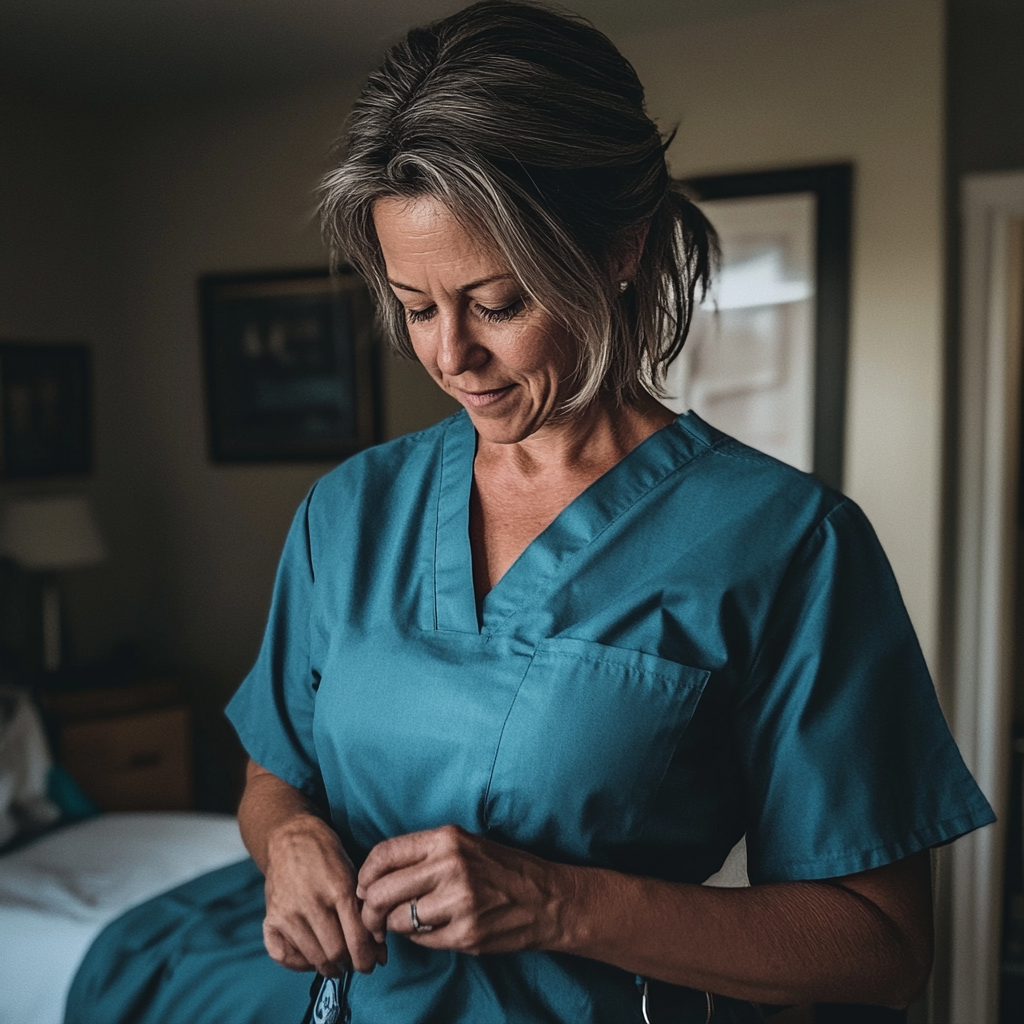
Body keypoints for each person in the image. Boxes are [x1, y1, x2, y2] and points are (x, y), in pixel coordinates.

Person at [227, 3, 995, 1021]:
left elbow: (881, 946)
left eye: (496, 302)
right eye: (416, 307)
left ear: (617, 250)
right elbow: (272, 773)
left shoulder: (784, 542)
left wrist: (554, 901)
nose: (449, 355)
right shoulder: (348, 511)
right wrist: (285, 842)